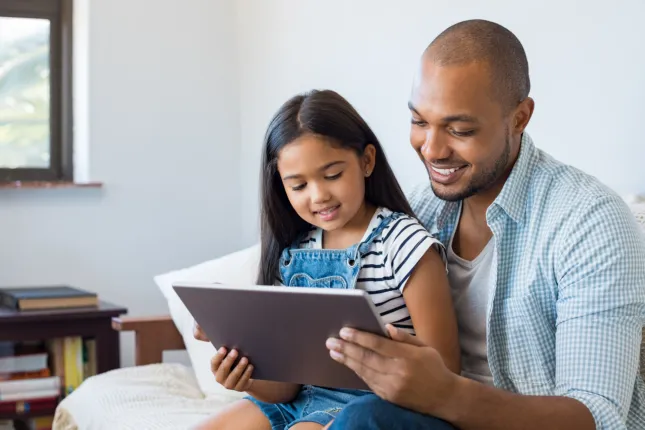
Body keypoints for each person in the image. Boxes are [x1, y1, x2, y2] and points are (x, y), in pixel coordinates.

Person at [323, 19, 645, 430]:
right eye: (420, 122)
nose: (432, 149)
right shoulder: (417, 210)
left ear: (519, 118)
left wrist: (445, 394)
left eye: (460, 130)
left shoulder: (589, 221)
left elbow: (597, 417)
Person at [193, 89, 461, 430]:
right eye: (298, 185)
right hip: (301, 403)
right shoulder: (293, 252)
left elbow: (447, 372)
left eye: (332, 175)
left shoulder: (403, 243)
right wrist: (245, 376)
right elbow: (286, 388)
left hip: (378, 405)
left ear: (366, 161)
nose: (318, 195)